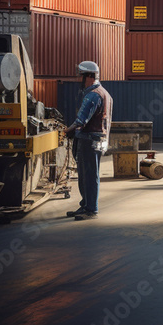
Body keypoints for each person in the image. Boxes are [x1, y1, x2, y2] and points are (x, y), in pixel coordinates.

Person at [64, 61, 113, 220]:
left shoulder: (93, 95)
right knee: (90, 175)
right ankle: (86, 205)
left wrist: (66, 131)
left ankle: (91, 209)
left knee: (88, 176)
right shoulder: (105, 93)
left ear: (89, 77)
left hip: (89, 140)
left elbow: (81, 121)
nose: (80, 81)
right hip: (98, 140)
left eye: (82, 77)